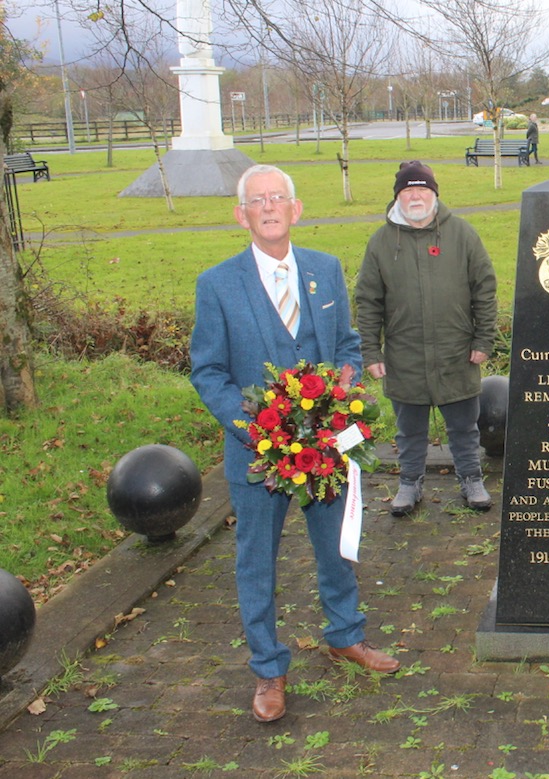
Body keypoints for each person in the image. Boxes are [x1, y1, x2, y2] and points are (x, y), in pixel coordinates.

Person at [190, 164, 401, 724]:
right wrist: (256, 428)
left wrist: (345, 391)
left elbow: (349, 346)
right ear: (242, 215)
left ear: (296, 208)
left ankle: (345, 635)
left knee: (336, 545)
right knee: (256, 561)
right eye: (256, 200)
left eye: (277, 197)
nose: (268, 206)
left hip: (325, 450)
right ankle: (268, 668)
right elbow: (208, 371)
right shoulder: (217, 284)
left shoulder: (325, 271)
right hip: (257, 455)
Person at [356, 161, 499, 516]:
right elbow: (368, 300)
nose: (415, 196)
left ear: (434, 194)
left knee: (464, 427)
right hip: (405, 356)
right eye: (408, 190)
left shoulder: (462, 234)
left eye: (422, 189)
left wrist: (483, 340)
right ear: (398, 197)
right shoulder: (381, 242)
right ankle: (409, 483)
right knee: (409, 431)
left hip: (457, 353)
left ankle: (471, 479)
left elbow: (485, 288)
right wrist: (371, 351)